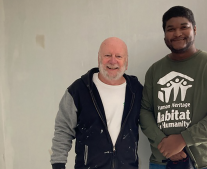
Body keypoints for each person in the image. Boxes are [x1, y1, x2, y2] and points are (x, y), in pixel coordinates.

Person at [140, 6, 207, 169]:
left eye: (184, 27)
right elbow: (144, 111)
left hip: (205, 163)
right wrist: (163, 143)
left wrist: (183, 139)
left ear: (195, 29)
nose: (177, 33)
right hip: (161, 161)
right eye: (171, 29)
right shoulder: (154, 71)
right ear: (164, 36)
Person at [50, 37, 143, 169]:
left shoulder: (136, 91)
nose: (113, 60)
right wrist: (58, 165)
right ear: (99, 59)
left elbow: (149, 121)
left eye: (119, 56)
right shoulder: (79, 90)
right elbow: (63, 129)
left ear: (126, 62)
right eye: (107, 55)